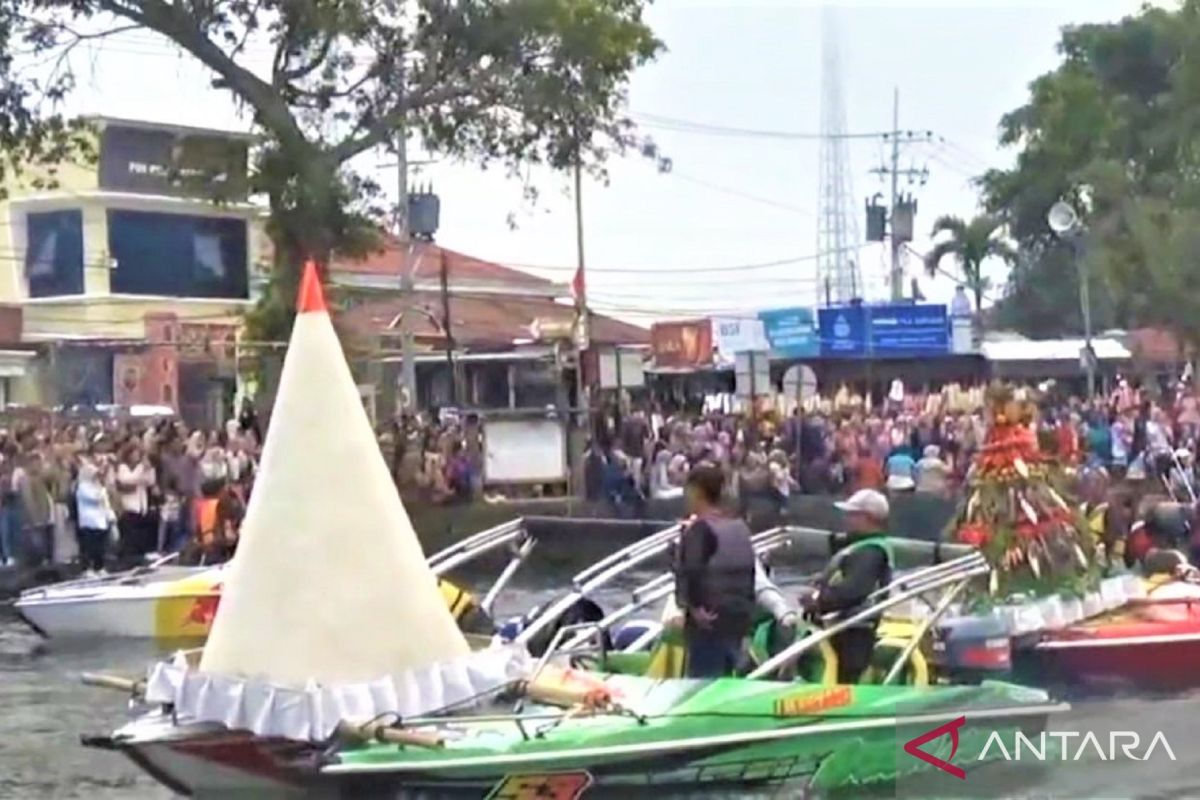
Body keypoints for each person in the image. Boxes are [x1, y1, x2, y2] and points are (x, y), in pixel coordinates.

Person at [672, 463, 756, 678]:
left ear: (696, 491)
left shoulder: (700, 529)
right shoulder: (740, 527)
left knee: (702, 683)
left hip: (707, 623)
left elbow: (689, 573)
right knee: (726, 681)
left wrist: (691, 608)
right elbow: (750, 576)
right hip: (736, 619)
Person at [802, 488, 894, 684]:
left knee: (847, 679)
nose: (847, 518)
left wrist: (818, 601)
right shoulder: (862, 547)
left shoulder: (871, 551)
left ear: (868, 518)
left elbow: (854, 590)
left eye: (853, 514)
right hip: (844, 627)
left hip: (854, 630)